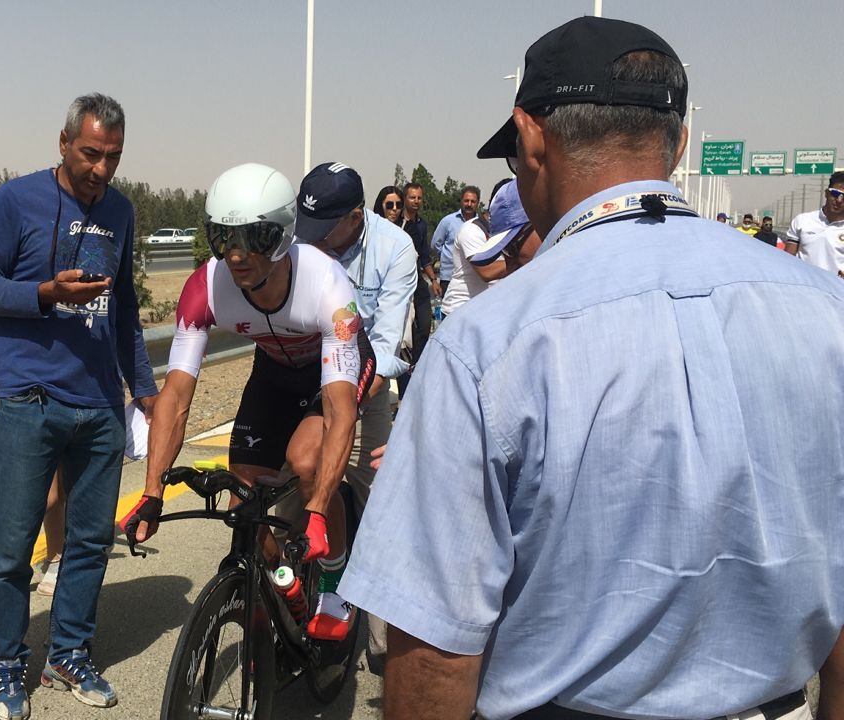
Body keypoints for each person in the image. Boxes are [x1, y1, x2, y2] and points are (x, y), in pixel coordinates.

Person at [342, 16, 844, 720]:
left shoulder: (485, 345)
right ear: (681, 142)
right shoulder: (828, 310)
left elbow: (434, 648)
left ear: (531, 135)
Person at [0, 92, 158, 720]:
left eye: (113, 157)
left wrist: (143, 386)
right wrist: (44, 294)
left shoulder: (121, 212)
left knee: (89, 542)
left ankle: (69, 652)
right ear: (63, 142)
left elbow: (124, 304)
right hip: (30, 398)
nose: (101, 169)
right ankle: (8, 663)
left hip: (99, 403)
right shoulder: (14, 200)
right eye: (91, 153)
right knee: (13, 545)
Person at [121, 162, 371, 643]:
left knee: (306, 462)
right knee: (242, 497)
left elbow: (340, 411)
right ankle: (284, 581)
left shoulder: (329, 285)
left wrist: (317, 508)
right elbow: (175, 397)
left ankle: (338, 582)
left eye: (252, 238)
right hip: (275, 371)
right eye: (223, 238)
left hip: (331, 371)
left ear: (280, 237)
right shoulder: (205, 287)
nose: (235, 255)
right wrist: (151, 490)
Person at [294, 161, 418, 667]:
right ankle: (288, 604)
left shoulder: (395, 249)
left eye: (326, 231)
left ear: (356, 217)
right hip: (307, 375)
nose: (314, 242)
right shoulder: (304, 242)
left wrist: (345, 402)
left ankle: (384, 639)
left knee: (376, 499)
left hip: (369, 381)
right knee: (292, 485)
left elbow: (387, 345)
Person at [440, 179, 512, 315]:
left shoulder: (507, 230)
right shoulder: (471, 230)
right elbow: (486, 271)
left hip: (487, 310)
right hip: (460, 312)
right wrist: (524, 260)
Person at [396, 182, 439, 400]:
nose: (416, 201)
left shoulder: (421, 225)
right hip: (399, 283)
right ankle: (403, 380)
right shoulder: (396, 223)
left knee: (424, 326)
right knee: (403, 336)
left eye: (419, 198)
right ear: (405, 198)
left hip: (417, 281)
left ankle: (416, 368)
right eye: (412, 197)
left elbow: (424, 255)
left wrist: (433, 279)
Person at [785, 171, 844, 277]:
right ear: (826, 193)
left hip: (837, 291)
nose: (839, 201)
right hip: (805, 289)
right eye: (835, 194)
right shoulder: (802, 221)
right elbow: (786, 260)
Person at [430, 186, 480, 292]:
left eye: (473, 201)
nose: (469, 204)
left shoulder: (482, 224)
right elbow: (435, 244)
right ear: (461, 201)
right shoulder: (448, 221)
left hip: (474, 277)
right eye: (466, 201)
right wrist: (447, 256)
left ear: (477, 203)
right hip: (449, 277)